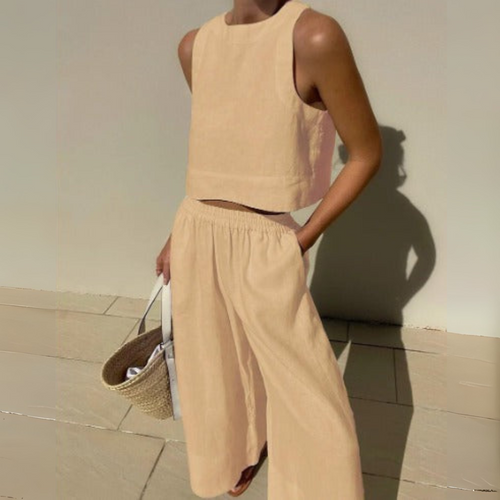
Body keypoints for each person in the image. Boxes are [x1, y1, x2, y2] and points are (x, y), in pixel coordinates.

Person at [156, 1, 382, 498]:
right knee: (215, 368)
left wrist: (301, 238)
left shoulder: (313, 36)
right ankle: (237, 452)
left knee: (311, 395)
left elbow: (366, 154)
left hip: (265, 241)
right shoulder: (195, 46)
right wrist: (178, 234)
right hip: (197, 231)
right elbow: (222, 147)